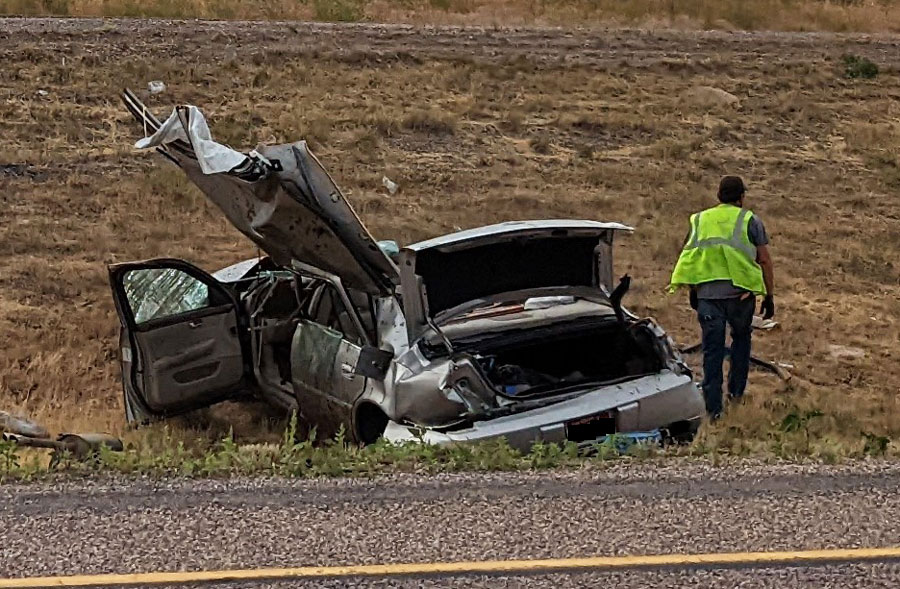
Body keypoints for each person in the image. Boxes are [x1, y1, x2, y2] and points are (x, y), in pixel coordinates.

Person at [668, 176, 775, 420]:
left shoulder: (699, 220)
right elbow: (765, 260)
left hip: (708, 296)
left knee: (712, 350)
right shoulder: (749, 220)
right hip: (740, 295)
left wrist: (693, 290)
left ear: (718, 196)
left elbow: (692, 256)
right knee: (741, 342)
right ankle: (736, 396)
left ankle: (713, 409)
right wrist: (769, 295)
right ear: (741, 197)